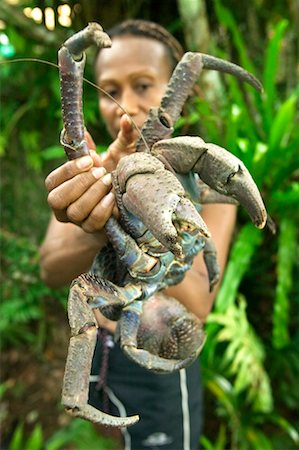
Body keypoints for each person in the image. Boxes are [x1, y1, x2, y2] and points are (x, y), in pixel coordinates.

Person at [40, 20, 236, 450]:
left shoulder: (203, 179)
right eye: (110, 87)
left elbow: (202, 298)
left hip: (165, 361)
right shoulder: (90, 172)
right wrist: (95, 219)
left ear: (176, 91)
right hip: (101, 351)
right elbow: (51, 270)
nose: (124, 104)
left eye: (143, 85)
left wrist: (142, 193)